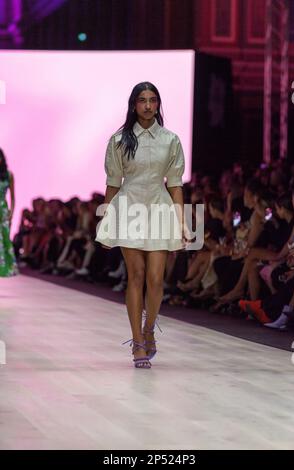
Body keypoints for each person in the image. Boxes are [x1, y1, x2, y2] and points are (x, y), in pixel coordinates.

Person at [95, 82, 186, 368]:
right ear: (133, 104)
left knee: (156, 279)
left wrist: (181, 221)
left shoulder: (171, 139)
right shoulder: (119, 139)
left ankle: (149, 330)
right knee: (136, 275)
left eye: (153, 100)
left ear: (159, 104)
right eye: (142, 100)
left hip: (160, 209)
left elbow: (175, 184)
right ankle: (137, 342)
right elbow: (113, 183)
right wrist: (106, 217)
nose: (148, 105)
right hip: (130, 208)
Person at [0, 148, 18, 277]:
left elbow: (12, 196)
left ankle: (7, 267)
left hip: (3, 208)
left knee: (5, 237)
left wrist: (12, 212)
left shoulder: (9, 175)